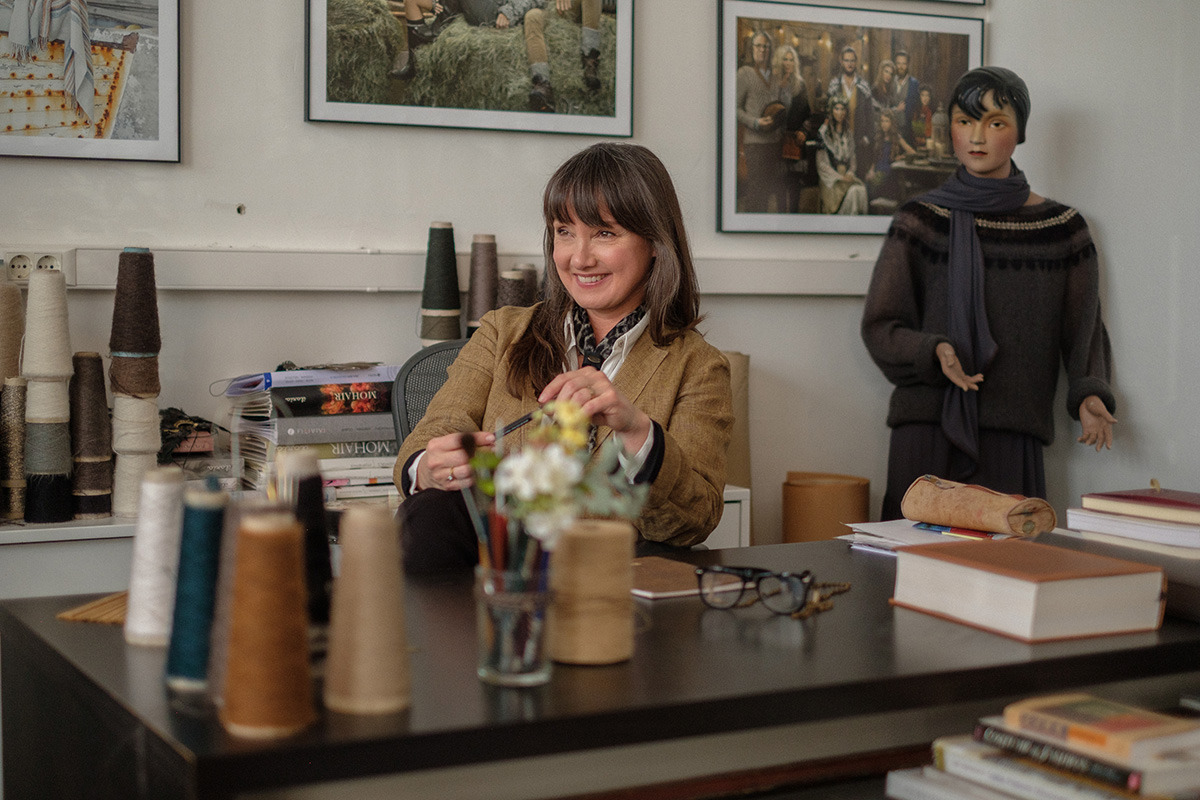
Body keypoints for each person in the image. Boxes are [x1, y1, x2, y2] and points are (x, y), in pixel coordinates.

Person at [394, 143, 734, 572]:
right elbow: (432, 434)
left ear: (654, 242)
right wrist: (428, 467)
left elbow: (694, 520)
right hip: (491, 572)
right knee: (429, 513)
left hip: (603, 582)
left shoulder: (698, 367)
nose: (579, 258)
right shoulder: (502, 332)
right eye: (564, 231)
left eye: (605, 233)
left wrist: (636, 430)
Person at [860, 66, 1117, 521]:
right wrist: (933, 350)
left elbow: (1083, 329)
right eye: (965, 121)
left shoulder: (1062, 229)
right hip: (926, 433)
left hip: (1013, 436)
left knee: (1008, 562)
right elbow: (880, 326)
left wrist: (1090, 393)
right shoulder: (919, 220)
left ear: (1020, 132)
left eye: (996, 122)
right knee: (910, 562)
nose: (977, 137)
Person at [736, 31, 784, 212]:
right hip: (755, 144)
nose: (762, 50)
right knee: (755, 192)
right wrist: (755, 122)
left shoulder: (775, 76)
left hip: (774, 143)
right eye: (758, 46)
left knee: (768, 192)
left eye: (766, 46)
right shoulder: (744, 73)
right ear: (752, 48)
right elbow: (734, 108)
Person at [776, 44, 819, 213]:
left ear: (795, 63)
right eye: (785, 59)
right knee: (779, 186)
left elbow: (808, 116)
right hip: (776, 141)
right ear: (779, 62)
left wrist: (803, 130)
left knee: (794, 187)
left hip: (794, 142)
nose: (788, 63)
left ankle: (793, 218)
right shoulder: (772, 84)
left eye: (791, 60)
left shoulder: (800, 85)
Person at [826, 45, 873, 181]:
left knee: (859, 179)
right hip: (839, 141)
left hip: (859, 141)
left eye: (852, 60)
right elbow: (828, 114)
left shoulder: (863, 86)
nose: (850, 64)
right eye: (846, 60)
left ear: (856, 62)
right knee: (841, 181)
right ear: (841, 62)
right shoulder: (834, 85)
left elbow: (870, 116)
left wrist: (867, 138)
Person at [815, 98, 868, 215]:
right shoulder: (824, 133)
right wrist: (839, 177)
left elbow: (852, 158)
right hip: (831, 179)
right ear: (831, 111)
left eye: (842, 109)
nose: (840, 113)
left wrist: (850, 173)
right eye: (837, 109)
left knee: (859, 190)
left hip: (846, 176)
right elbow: (821, 164)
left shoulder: (848, 133)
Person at [864, 109, 917, 203]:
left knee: (873, 185)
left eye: (887, 121)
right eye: (882, 121)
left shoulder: (897, 137)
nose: (884, 124)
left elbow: (912, 152)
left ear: (891, 123)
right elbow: (875, 159)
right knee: (867, 184)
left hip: (888, 171)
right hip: (877, 169)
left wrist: (901, 157)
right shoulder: (878, 137)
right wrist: (871, 170)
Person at [891, 51, 921, 143]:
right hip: (890, 128)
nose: (901, 67)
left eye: (904, 64)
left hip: (907, 130)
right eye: (898, 63)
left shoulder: (914, 84)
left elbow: (917, 108)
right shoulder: (890, 81)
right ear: (895, 64)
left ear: (908, 65)